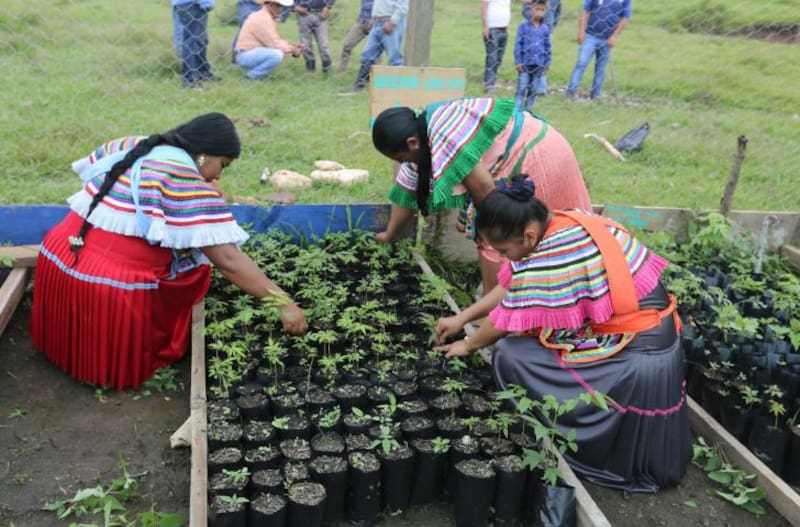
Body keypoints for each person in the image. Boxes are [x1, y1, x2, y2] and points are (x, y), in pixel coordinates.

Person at [435, 176, 692, 492]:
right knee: (532, 334)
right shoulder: (560, 220)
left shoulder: (556, 252)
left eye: (503, 250)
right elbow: (512, 285)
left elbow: (505, 322)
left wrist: (468, 345)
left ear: (528, 236)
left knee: (511, 354)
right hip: (650, 336)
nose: (503, 257)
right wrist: (462, 318)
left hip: (640, 355)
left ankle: (572, 433)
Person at [30, 113, 308, 391]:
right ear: (204, 155)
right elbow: (228, 260)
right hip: (110, 285)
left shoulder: (136, 145)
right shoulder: (183, 179)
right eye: (222, 165)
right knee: (195, 271)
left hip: (61, 255)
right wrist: (283, 303)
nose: (218, 176)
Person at [371, 97, 591, 293]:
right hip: (535, 144)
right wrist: (389, 235)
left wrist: (490, 236)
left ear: (411, 143)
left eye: (401, 158)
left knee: (500, 232)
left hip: (536, 155)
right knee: (515, 234)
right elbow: (407, 191)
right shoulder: (421, 134)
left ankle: (497, 308)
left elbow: (486, 194)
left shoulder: (442, 134)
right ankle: (510, 293)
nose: (405, 163)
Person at [566, 0, 631, 99]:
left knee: (600, 69)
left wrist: (614, 36)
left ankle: (595, 95)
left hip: (607, 39)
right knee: (581, 63)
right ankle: (571, 93)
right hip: (590, 36)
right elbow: (585, 10)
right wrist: (581, 32)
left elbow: (625, 18)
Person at [234, 0, 304, 80]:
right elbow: (274, 44)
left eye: (282, 7)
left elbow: (274, 39)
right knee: (277, 54)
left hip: (249, 53)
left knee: (279, 51)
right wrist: (293, 49)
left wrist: (291, 45)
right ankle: (252, 76)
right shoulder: (264, 19)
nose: (281, 9)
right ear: (271, 5)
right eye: (279, 6)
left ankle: (256, 75)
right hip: (245, 56)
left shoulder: (264, 15)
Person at [353, 0, 408, 91]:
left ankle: (396, 88)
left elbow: (403, 6)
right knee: (367, 55)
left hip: (391, 23)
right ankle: (360, 85)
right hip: (377, 23)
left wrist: (393, 22)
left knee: (394, 58)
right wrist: (373, 18)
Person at [514, 0, 551, 110]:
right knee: (521, 88)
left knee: (533, 90)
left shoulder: (545, 28)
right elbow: (518, 44)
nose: (539, 12)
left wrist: (546, 64)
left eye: (542, 10)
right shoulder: (523, 26)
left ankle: (528, 111)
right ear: (531, 10)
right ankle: (517, 111)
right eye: (537, 9)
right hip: (525, 63)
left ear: (545, 11)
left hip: (539, 64)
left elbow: (547, 47)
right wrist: (518, 61)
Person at [172, 0, 217, 88]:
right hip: (193, 4)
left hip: (189, 4)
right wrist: (206, 3)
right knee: (192, 41)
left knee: (199, 39)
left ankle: (202, 72)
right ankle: (190, 80)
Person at [521, 0, 560, 95]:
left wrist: (550, 27)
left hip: (546, 31)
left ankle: (541, 89)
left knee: (543, 60)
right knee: (530, 59)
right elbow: (525, 10)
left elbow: (557, 11)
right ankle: (530, 87)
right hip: (532, 31)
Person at [294, 0, 336, 73]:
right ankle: (310, 71)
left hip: (321, 14)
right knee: (306, 45)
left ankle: (327, 72)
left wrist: (328, 7)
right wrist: (294, 7)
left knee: (324, 45)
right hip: (303, 14)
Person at [481, 0, 511, 93]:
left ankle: (489, 77)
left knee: (499, 58)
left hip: (504, 29)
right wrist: (485, 26)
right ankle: (489, 85)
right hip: (492, 28)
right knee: (492, 57)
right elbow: (484, 7)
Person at [337, 0, 374, 73]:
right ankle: (341, 71)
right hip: (361, 21)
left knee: (375, 50)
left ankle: (377, 74)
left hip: (376, 23)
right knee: (347, 45)